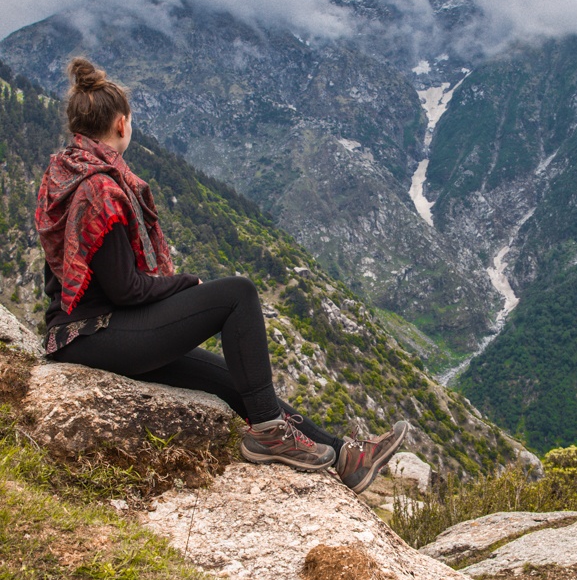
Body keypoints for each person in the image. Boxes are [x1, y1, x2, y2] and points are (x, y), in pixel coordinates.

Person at [35, 57, 407, 494]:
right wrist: (185, 285)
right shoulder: (100, 189)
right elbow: (126, 288)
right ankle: (269, 434)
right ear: (122, 124)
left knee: (238, 380)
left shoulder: (67, 171)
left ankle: (345, 457)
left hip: (89, 331)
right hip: (94, 334)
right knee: (237, 294)